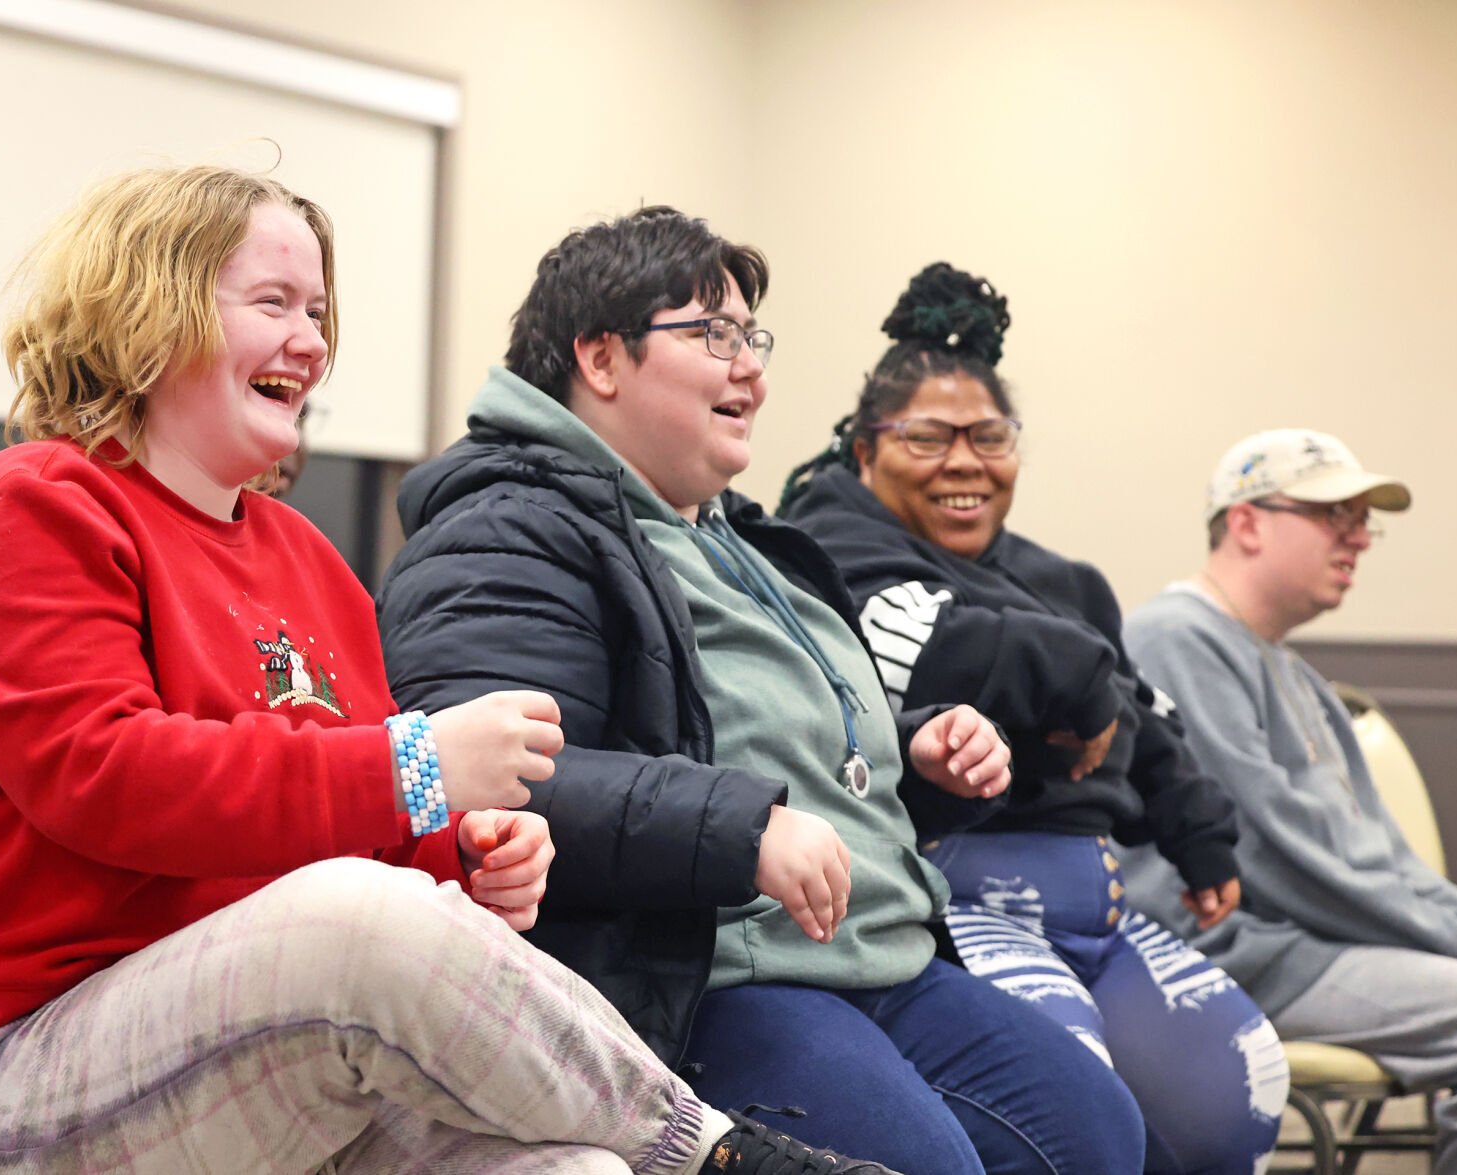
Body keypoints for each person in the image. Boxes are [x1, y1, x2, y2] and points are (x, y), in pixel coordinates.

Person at [0, 165, 889, 1175]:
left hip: (265, 1050)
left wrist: (465, 855)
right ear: (149, 313)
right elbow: (104, 779)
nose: (311, 341)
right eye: (272, 303)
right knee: (356, 918)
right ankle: (712, 1151)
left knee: (576, 1166)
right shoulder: (35, 504)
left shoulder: (307, 560)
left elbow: (367, 829)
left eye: (317, 311)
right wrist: (417, 766)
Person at [378, 208, 1149, 1175]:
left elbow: (762, 740)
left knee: (1097, 1133)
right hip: (698, 977)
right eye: (713, 335)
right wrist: (743, 830)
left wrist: (913, 756)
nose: (750, 369)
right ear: (600, 357)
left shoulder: (740, 535)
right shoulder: (502, 530)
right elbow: (498, 783)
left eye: (752, 338)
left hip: (877, 954)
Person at [776, 263, 1289, 1174]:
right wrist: (1080, 675)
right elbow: (950, 647)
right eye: (927, 437)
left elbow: (1143, 714)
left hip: (1101, 906)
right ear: (863, 451)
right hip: (957, 907)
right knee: (1079, 1118)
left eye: (989, 436)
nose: (964, 461)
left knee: (1235, 1092)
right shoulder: (824, 546)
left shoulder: (1063, 580)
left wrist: (1198, 834)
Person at [1117, 428, 1457, 1171]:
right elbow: (1279, 857)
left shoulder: (1291, 669)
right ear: (1246, 523)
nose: (1358, 539)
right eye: (1333, 516)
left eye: (1362, 521)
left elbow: (1379, 855)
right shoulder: (1175, 639)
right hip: (1240, 955)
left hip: (1307, 942)